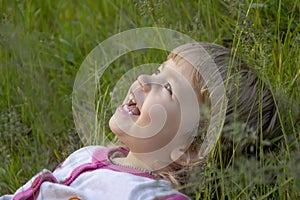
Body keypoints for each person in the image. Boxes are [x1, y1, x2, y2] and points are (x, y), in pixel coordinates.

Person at [0, 43, 280, 200]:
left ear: (193, 149)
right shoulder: (89, 155)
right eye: (159, 71)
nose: (145, 79)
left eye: (169, 89)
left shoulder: (153, 197)